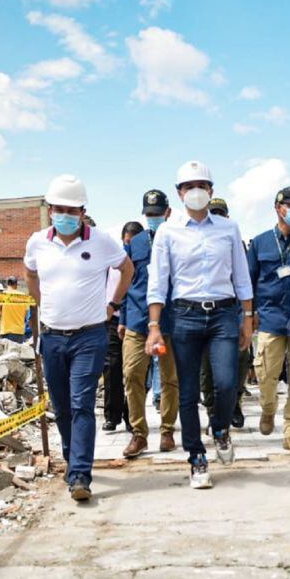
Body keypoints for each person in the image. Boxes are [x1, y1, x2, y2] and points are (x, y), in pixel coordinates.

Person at [24, 174, 134, 501]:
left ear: (83, 211)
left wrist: (112, 304)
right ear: (50, 209)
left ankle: (81, 476)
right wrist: (43, 305)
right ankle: (73, 460)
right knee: (61, 407)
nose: (66, 215)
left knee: (81, 403)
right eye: (60, 209)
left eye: (72, 210)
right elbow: (30, 273)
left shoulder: (102, 241)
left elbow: (126, 269)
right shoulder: (37, 242)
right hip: (53, 337)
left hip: (90, 336)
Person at [146, 161, 254, 489]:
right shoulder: (167, 231)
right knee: (187, 391)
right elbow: (158, 279)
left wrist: (247, 317)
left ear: (211, 190)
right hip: (184, 316)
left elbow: (241, 274)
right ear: (179, 193)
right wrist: (153, 325)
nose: (195, 191)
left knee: (225, 382)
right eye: (188, 186)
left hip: (223, 314)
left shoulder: (228, 228)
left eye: (201, 185)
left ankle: (220, 428)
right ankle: (196, 457)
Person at [247, 186, 290, 455]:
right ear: (278, 208)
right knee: (265, 373)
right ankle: (268, 408)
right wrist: (249, 315)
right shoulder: (260, 243)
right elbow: (248, 282)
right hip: (270, 317)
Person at [120, 195, 181, 456]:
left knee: (170, 379)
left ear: (167, 212)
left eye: (157, 212)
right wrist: (122, 318)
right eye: (149, 213)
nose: (153, 217)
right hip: (137, 319)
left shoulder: (178, 239)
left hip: (170, 321)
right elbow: (125, 281)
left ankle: (167, 431)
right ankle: (138, 434)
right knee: (132, 375)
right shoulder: (135, 243)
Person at [199, 197, 249, 429]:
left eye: (221, 213)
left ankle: (234, 404)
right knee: (208, 368)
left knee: (239, 361)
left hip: (234, 311)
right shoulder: (198, 242)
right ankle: (212, 411)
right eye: (213, 213)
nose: (217, 216)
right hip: (205, 314)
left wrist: (248, 315)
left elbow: (246, 281)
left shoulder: (236, 242)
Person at [102, 254, 128, 433]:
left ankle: (132, 414)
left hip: (135, 319)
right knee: (112, 368)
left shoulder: (136, 265)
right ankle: (112, 415)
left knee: (136, 373)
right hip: (111, 320)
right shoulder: (105, 266)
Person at [0, 277, 28, 343]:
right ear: (16, 284)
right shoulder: (23, 296)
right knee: (17, 352)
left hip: (5, 330)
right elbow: (25, 314)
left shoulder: (3, 295)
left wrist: (5, 316)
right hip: (19, 331)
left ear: (7, 284)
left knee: (7, 353)